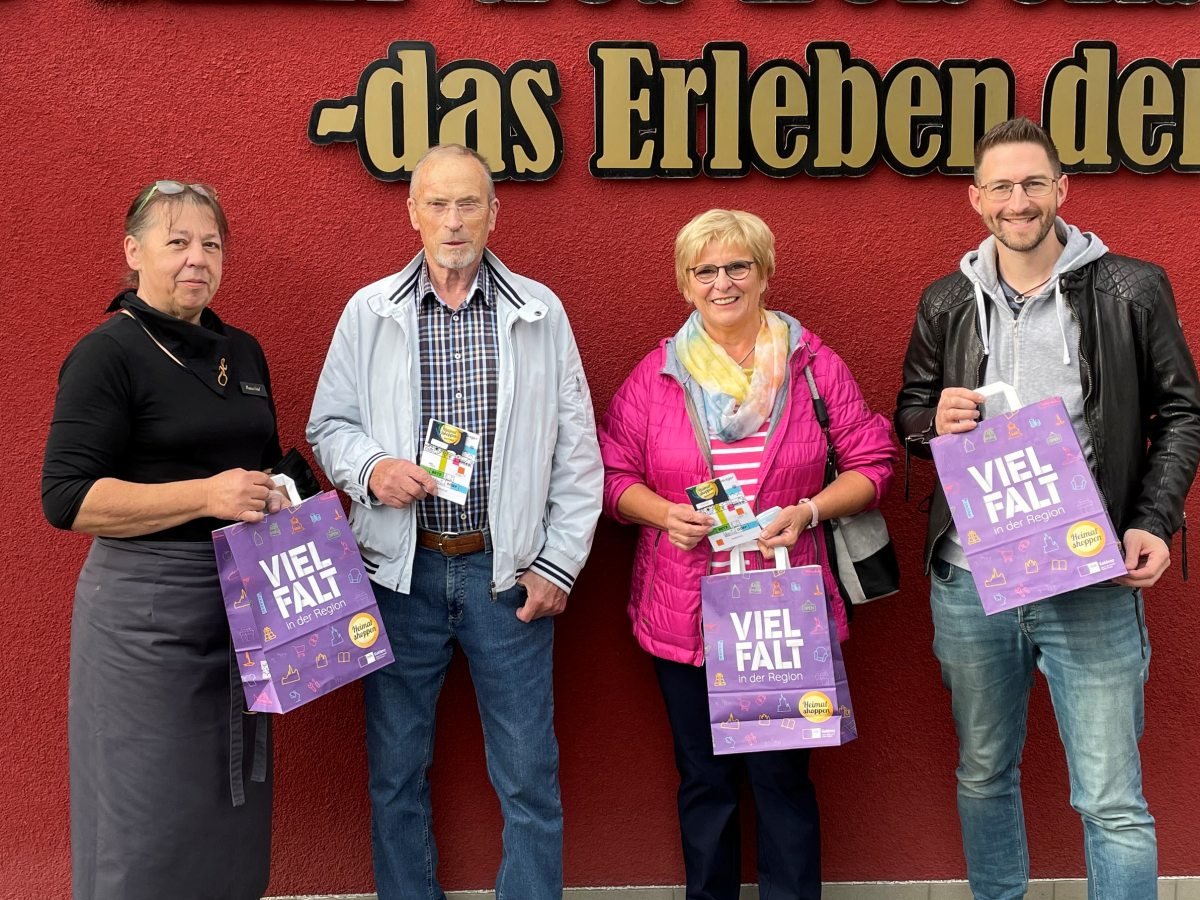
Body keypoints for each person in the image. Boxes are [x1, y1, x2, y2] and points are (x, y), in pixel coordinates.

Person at [895, 117, 1200, 900]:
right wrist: (935, 423)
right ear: (975, 199)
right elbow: (911, 412)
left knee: (1111, 800)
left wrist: (1154, 521)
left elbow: (1182, 412)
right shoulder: (943, 301)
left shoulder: (1132, 287)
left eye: (1033, 183)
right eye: (1000, 186)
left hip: (1090, 572)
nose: (1018, 200)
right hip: (972, 580)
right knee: (983, 772)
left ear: (1062, 190)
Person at [307, 143, 602, 900]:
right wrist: (371, 469)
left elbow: (576, 451)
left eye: (469, 203)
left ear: (494, 214)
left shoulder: (540, 312)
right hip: (400, 576)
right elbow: (329, 425)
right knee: (395, 776)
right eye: (436, 203)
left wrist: (558, 563)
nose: (453, 219)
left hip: (508, 574)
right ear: (412, 213)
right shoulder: (368, 312)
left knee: (529, 780)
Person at [599, 209, 896, 900]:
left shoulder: (813, 366)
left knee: (783, 781)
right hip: (687, 610)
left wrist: (811, 510)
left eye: (738, 267)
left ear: (765, 274)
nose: (722, 282)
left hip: (783, 604)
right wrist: (661, 513)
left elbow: (873, 461)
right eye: (706, 270)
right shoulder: (657, 375)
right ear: (685, 283)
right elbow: (611, 476)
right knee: (706, 781)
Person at [42, 180, 288, 900]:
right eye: (177, 241)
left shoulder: (240, 352)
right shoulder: (108, 353)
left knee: (231, 806)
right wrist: (206, 495)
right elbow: (68, 497)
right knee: (147, 821)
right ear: (133, 251)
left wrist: (282, 493)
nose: (196, 259)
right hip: (145, 622)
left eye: (210, 244)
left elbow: (264, 458)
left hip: (243, 602)